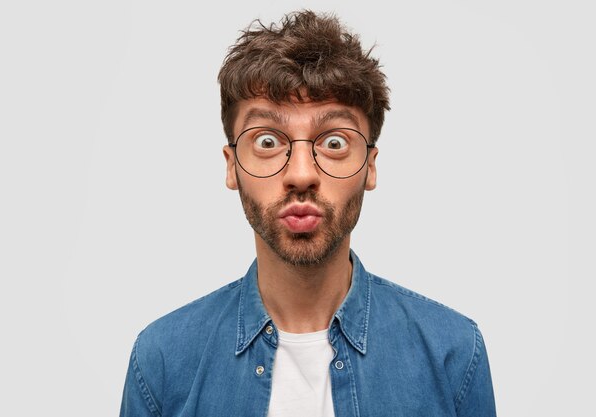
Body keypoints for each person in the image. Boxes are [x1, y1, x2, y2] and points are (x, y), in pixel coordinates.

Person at [119, 10, 496, 417]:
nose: (301, 174)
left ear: (369, 166)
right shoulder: (161, 361)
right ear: (231, 165)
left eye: (334, 142)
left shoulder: (453, 353)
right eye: (267, 140)